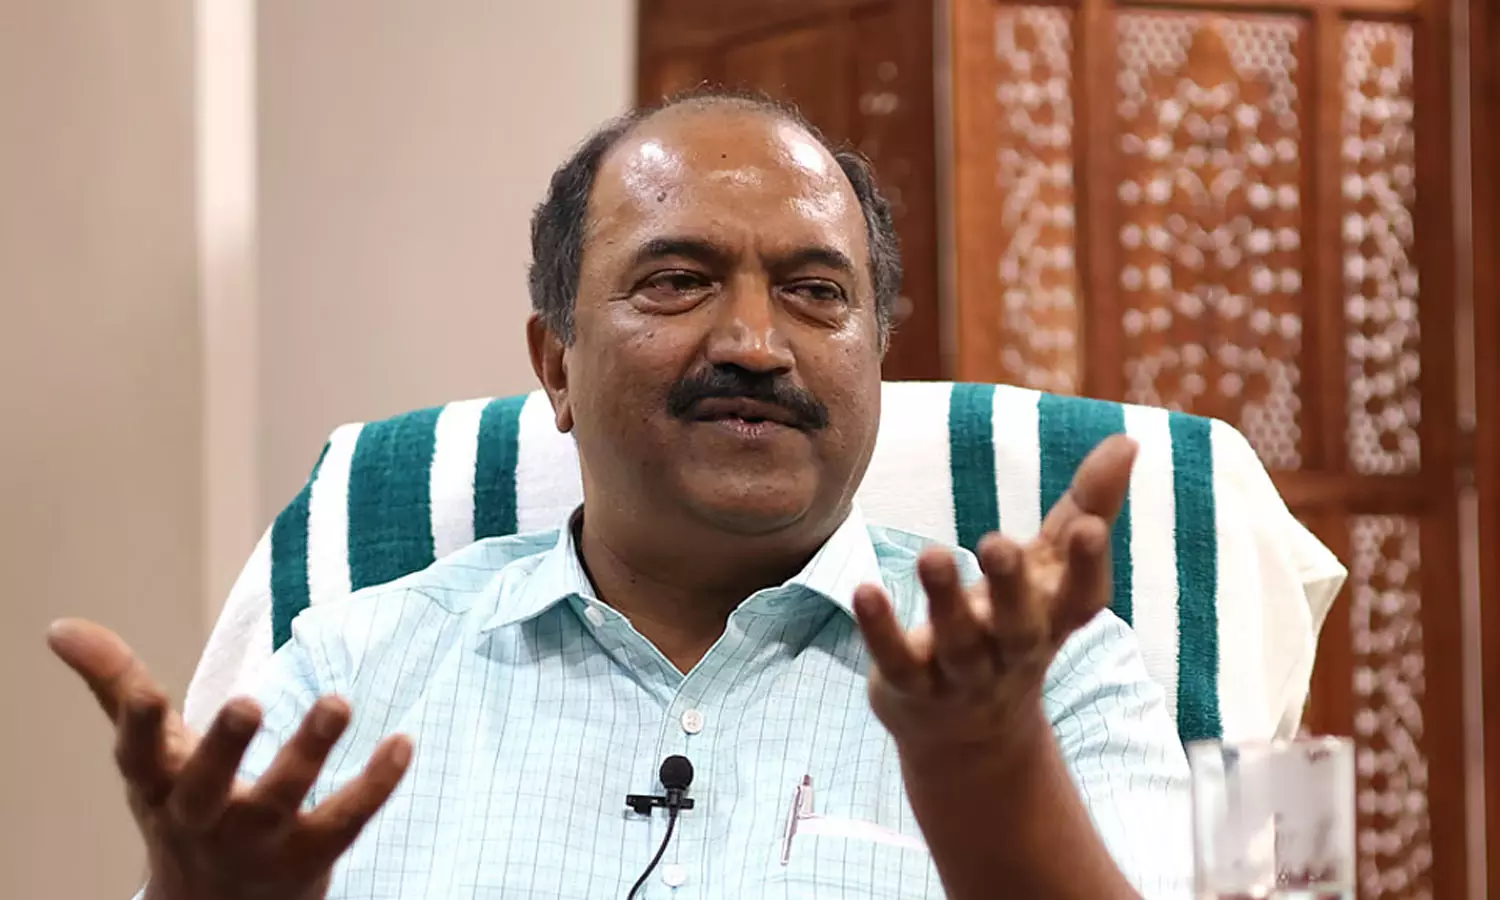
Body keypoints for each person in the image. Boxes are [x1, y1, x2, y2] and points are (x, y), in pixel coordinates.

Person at [49, 91, 1191, 899]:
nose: (755, 344)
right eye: (678, 281)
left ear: (877, 358)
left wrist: (987, 766)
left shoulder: (1048, 680)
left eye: (814, 292)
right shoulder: (351, 680)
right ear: (556, 365)